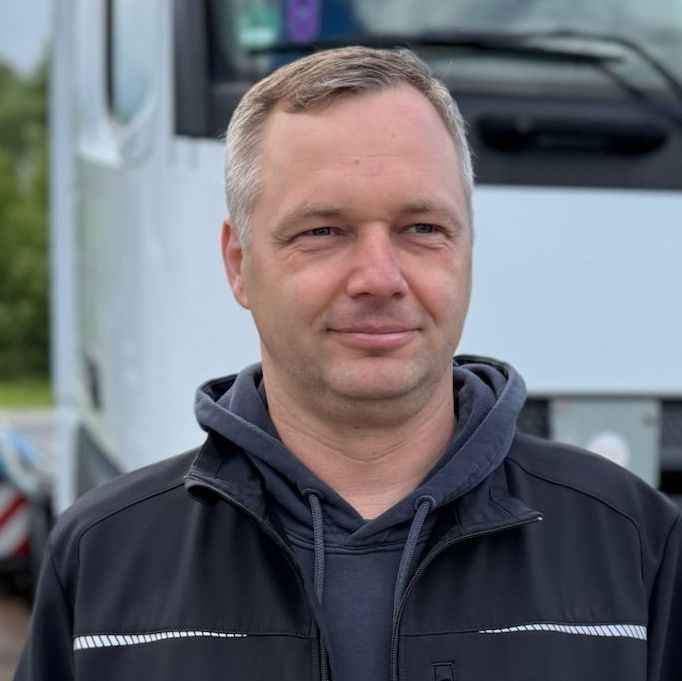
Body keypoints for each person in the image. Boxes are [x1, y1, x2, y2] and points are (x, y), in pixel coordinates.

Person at [15, 46, 681, 681]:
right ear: (239, 263)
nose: (379, 277)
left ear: (467, 249)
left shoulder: (634, 542)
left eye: (422, 229)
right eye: (323, 231)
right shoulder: (102, 557)